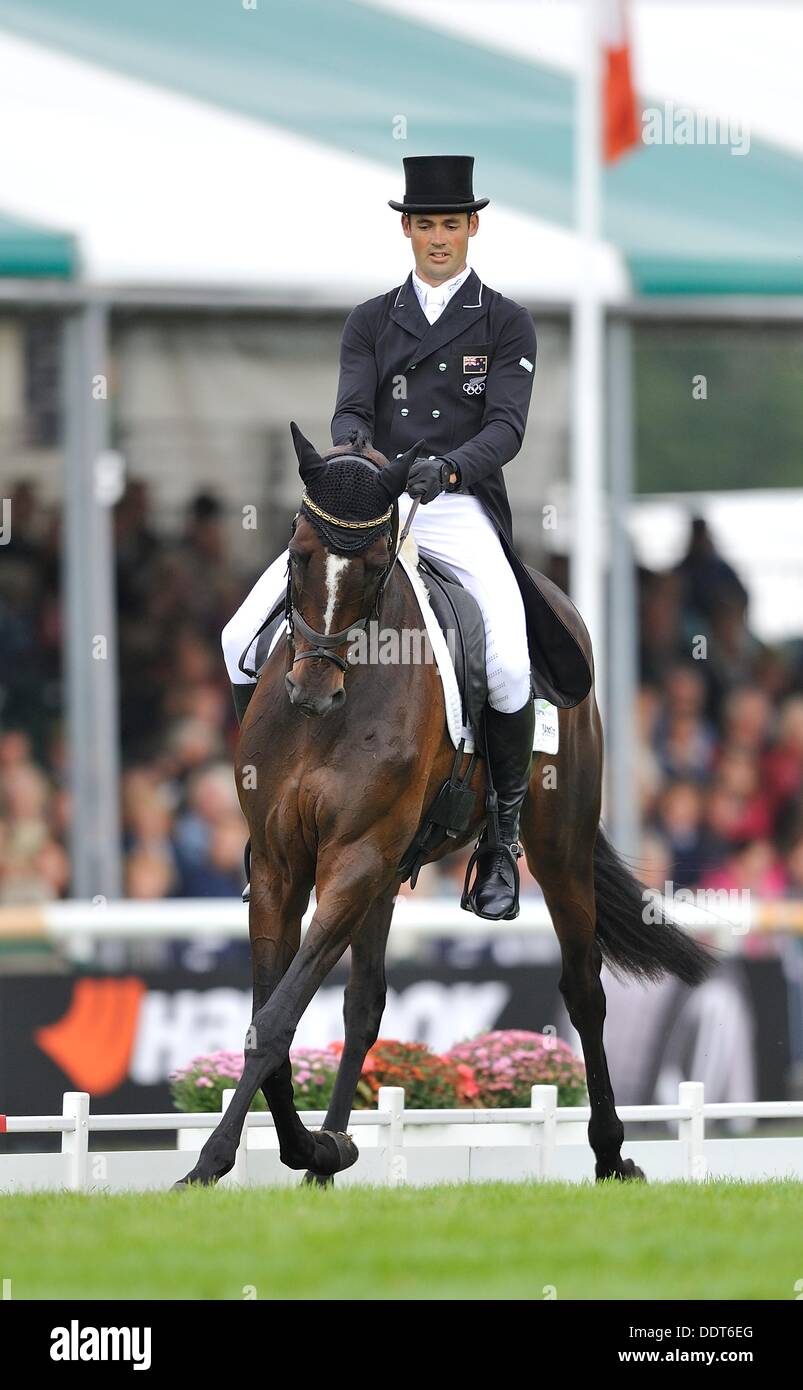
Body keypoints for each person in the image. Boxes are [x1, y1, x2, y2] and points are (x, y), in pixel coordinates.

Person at [222, 155, 564, 918]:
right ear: (406, 228)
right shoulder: (372, 320)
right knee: (237, 635)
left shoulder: (505, 321)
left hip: (457, 504)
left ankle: (500, 845)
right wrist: (359, 462)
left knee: (507, 663)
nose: (437, 237)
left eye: (449, 223)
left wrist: (444, 471)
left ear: (471, 226)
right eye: (424, 223)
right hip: (372, 503)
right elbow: (349, 412)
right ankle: (264, 814)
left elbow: (505, 429)